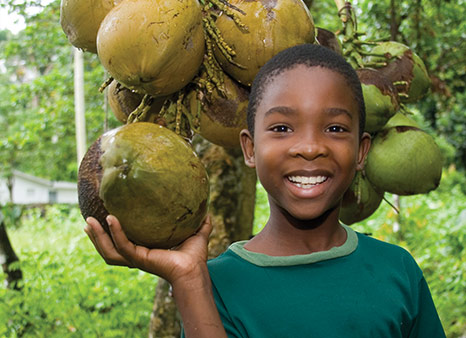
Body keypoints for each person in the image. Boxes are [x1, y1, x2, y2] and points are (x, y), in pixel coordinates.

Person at [84, 44, 445, 338]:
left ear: (362, 152)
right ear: (250, 148)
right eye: (282, 127)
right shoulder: (216, 285)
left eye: (334, 128)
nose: (309, 147)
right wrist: (188, 279)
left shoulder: (396, 270)